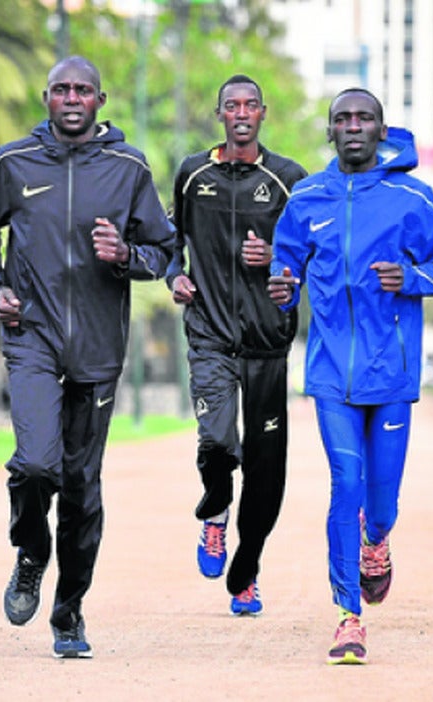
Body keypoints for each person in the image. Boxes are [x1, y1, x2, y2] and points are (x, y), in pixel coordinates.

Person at [0, 56, 174, 658]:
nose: (72, 97)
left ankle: (69, 613)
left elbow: (162, 249)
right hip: (31, 333)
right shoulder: (15, 163)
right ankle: (31, 551)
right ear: (46, 97)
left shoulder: (129, 169)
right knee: (34, 465)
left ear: (101, 100)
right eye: (61, 89)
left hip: (100, 351)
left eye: (83, 89)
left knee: (82, 488)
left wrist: (126, 254)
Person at [268, 88, 433, 664]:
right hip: (330, 372)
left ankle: (376, 542)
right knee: (344, 486)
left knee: (380, 503)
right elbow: (287, 270)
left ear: (382, 130)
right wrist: (284, 289)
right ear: (330, 131)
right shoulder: (306, 198)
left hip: (392, 373)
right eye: (342, 119)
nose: (353, 126)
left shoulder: (411, 197)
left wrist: (410, 278)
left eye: (364, 118)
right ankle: (347, 616)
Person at [167, 74, 308, 616]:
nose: (241, 112)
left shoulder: (288, 178)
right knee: (218, 441)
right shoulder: (191, 173)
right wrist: (173, 277)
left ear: (263, 114)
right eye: (232, 104)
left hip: (268, 343)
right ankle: (216, 512)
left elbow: (310, 255)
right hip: (208, 335)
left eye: (250, 104)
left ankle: (246, 571)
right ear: (219, 113)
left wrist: (277, 259)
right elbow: (168, 240)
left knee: (267, 469)